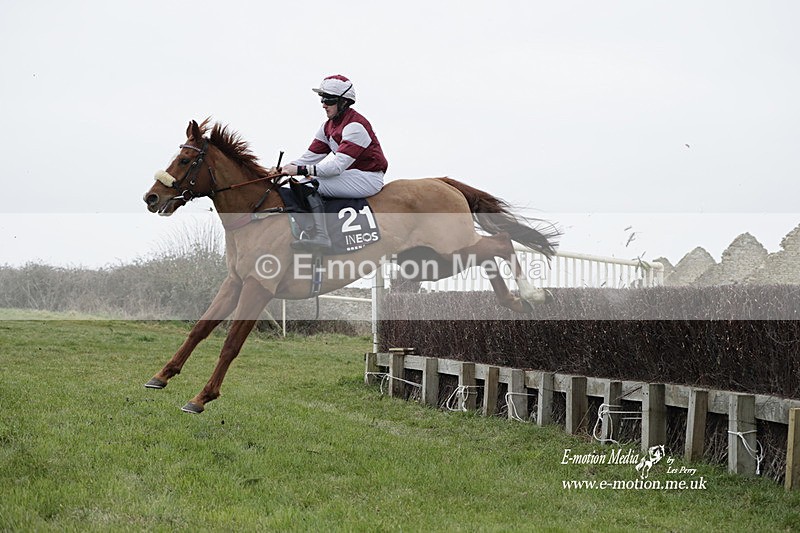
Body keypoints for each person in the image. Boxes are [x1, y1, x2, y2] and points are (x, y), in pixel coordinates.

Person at [277, 75, 388, 251]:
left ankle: (322, 236)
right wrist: (281, 170)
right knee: (300, 181)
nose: (323, 104)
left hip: (368, 178)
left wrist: (299, 170)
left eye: (328, 99)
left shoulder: (355, 126)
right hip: (351, 175)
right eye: (322, 99)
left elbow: (336, 168)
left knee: (309, 182)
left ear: (344, 102)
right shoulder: (327, 127)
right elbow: (309, 158)